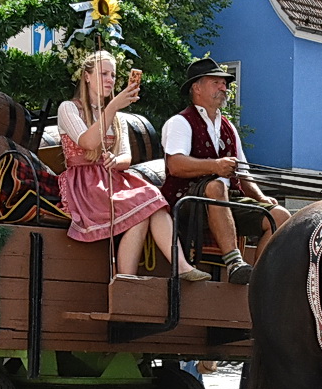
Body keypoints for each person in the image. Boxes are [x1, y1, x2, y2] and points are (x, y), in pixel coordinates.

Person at [57, 51, 210, 282]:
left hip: (111, 178)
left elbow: (126, 158)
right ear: (87, 76)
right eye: (103, 74)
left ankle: (176, 268)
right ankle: (127, 278)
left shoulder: (118, 117)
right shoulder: (68, 108)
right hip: (84, 183)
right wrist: (113, 106)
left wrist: (114, 161)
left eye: (113, 75)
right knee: (143, 205)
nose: (110, 80)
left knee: (153, 200)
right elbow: (87, 142)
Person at [162, 58, 290, 284]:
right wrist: (215, 165)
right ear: (197, 88)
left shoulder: (228, 126)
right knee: (216, 186)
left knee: (280, 216)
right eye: (216, 82)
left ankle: (257, 281)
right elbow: (176, 165)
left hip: (227, 200)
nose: (224, 87)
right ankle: (234, 263)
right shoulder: (180, 122)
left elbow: (243, 172)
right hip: (187, 201)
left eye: (224, 83)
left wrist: (261, 198)